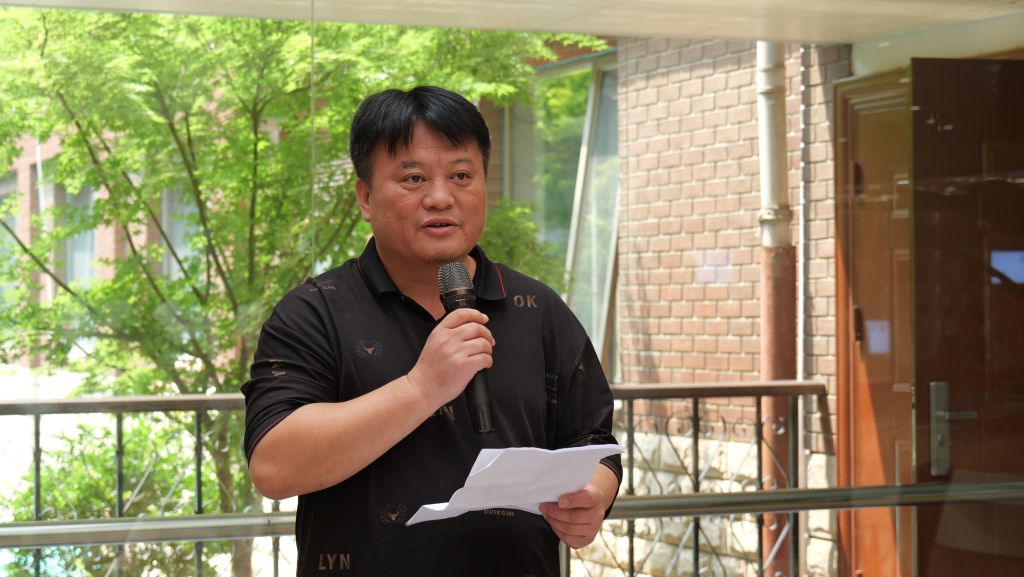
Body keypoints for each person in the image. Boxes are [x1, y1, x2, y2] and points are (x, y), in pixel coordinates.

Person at [242, 85, 621, 576]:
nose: (441, 198)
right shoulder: (314, 312)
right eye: (414, 178)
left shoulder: (536, 307)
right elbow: (274, 467)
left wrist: (593, 497)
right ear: (365, 197)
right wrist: (422, 387)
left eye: (461, 175)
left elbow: (592, 441)